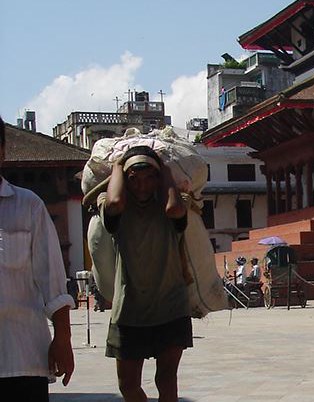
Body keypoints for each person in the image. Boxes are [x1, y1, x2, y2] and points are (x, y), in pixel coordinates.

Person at [98, 145, 191, 401]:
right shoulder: (111, 206)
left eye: (150, 177)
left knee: (166, 379)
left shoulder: (174, 206)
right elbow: (115, 201)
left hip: (170, 306)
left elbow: (174, 209)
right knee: (128, 385)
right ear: (124, 180)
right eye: (134, 179)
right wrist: (118, 164)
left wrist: (165, 170)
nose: (142, 185)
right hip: (129, 310)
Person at [0, 117, 75, 399]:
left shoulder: (28, 206)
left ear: (3, 150)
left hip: (23, 357)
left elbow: (53, 281)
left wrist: (63, 339)